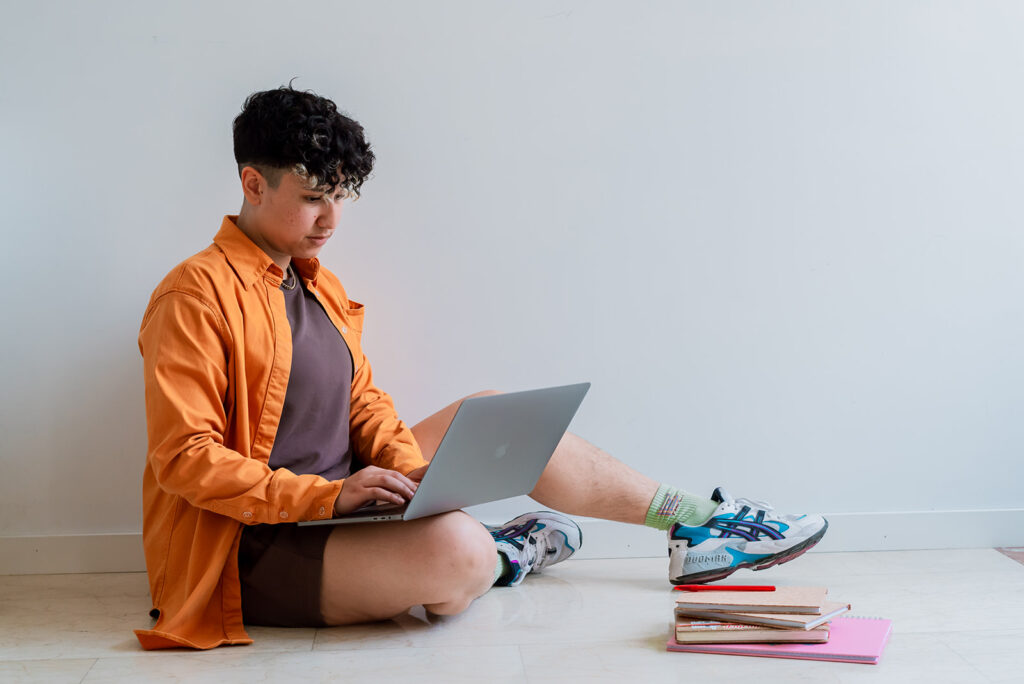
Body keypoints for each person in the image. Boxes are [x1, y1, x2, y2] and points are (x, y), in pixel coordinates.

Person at [135, 86, 828, 650]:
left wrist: (407, 471)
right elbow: (184, 460)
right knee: (459, 552)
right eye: (313, 197)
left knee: (506, 418)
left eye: (340, 196)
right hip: (252, 549)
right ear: (253, 184)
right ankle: (503, 553)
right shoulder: (192, 294)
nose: (331, 219)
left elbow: (364, 402)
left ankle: (701, 524)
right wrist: (329, 499)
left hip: (343, 504)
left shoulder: (317, 285)